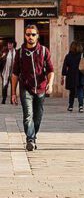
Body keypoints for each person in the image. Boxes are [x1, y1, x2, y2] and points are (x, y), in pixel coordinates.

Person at [11, 24, 54, 152]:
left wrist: (50, 84)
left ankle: (33, 137)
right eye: (28, 34)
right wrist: (13, 93)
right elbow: (14, 74)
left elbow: (51, 70)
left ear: (37, 36)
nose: (30, 37)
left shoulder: (44, 51)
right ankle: (30, 139)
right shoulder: (19, 53)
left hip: (41, 88)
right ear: (25, 36)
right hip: (26, 88)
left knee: (38, 116)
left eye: (33, 34)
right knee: (28, 115)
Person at [61, 41, 84, 113]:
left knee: (72, 92)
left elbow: (64, 67)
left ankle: (70, 106)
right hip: (80, 75)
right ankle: (81, 106)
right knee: (80, 90)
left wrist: (63, 76)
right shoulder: (83, 55)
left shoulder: (68, 56)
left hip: (71, 75)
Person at [1, 40, 17, 104]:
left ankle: (12, 100)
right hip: (6, 72)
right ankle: (4, 99)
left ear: (13, 45)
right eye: (8, 44)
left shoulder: (16, 52)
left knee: (13, 87)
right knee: (4, 86)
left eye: (10, 44)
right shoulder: (5, 52)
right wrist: (2, 57)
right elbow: (1, 61)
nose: (9, 45)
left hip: (13, 73)